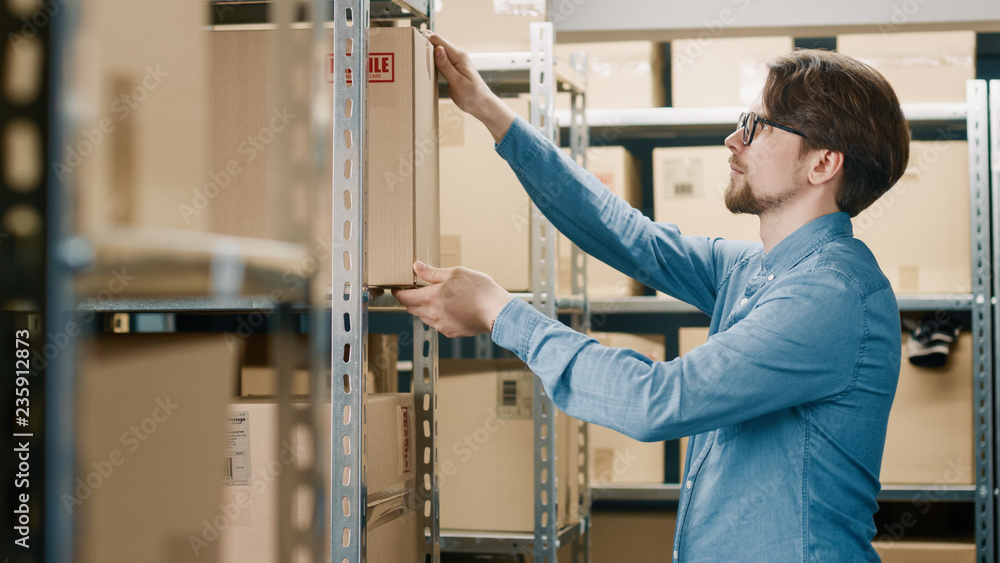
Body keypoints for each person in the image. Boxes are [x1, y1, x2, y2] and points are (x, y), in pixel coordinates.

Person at [394, 33, 910, 562]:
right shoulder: (758, 270)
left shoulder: (834, 295)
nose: (733, 140)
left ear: (822, 164)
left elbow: (659, 400)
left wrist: (499, 312)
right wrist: (489, 110)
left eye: (757, 127)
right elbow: (632, 238)